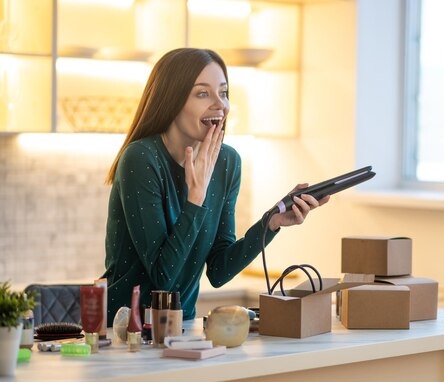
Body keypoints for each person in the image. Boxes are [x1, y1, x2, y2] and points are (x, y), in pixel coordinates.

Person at [102, 48, 328, 326]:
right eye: (202, 93)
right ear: (171, 100)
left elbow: (219, 271)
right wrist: (196, 196)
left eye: (223, 92)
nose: (219, 104)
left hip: (180, 326)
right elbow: (164, 277)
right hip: (125, 330)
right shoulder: (141, 159)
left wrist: (271, 223)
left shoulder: (227, 161)